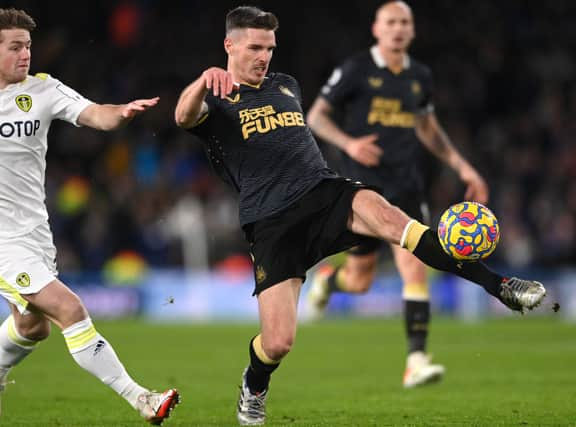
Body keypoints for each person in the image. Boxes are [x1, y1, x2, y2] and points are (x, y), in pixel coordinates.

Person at [174, 5, 545, 426]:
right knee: (278, 343)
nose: (264, 57)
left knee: (394, 220)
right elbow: (183, 116)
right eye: (255, 47)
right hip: (270, 221)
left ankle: (501, 286)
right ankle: (254, 386)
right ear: (230, 45)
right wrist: (203, 82)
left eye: (270, 48)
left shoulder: (286, 85)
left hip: (324, 192)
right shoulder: (215, 98)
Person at [0, 7, 178, 424]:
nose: (26, 54)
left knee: (33, 327)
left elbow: (94, 113)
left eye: (28, 45)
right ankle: (142, 399)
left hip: (35, 235)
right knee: (69, 309)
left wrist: (119, 113)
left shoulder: (44, 90)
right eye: (15, 47)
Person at [305, 0, 489, 388]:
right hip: (363, 193)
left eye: (405, 22)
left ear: (413, 30)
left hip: (407, 186)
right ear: (377, 28)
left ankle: (416, 360)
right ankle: (327, 281)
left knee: (413, 266)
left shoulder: (419, 76)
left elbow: (428, 128)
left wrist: (462, 166)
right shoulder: (356, 70)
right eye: (391, 22)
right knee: (359, 282)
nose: (398, 28)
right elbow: (316, 116)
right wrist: (349, 144)